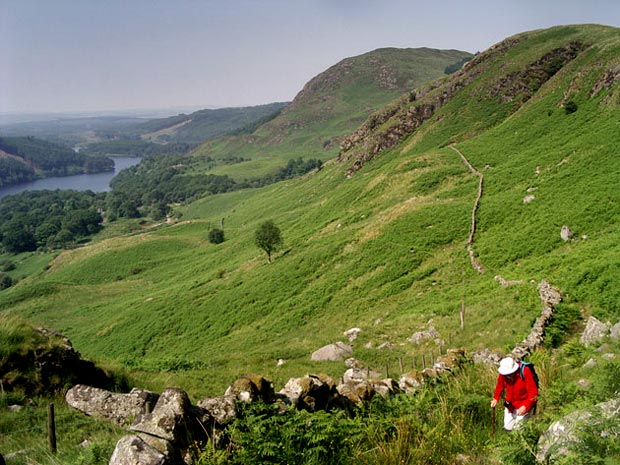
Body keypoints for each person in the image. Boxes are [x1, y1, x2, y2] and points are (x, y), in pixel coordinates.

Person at [491, 357, 538, 431]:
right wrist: (496, 398)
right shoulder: (504, 374)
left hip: (524, 405)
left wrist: (525, 406)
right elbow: (500, 385)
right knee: (507, 428)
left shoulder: (525, 371)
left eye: (509, 374)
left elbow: (533, 393)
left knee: (519, 430)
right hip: (510, 405)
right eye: (506, 374)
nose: (508, 376)